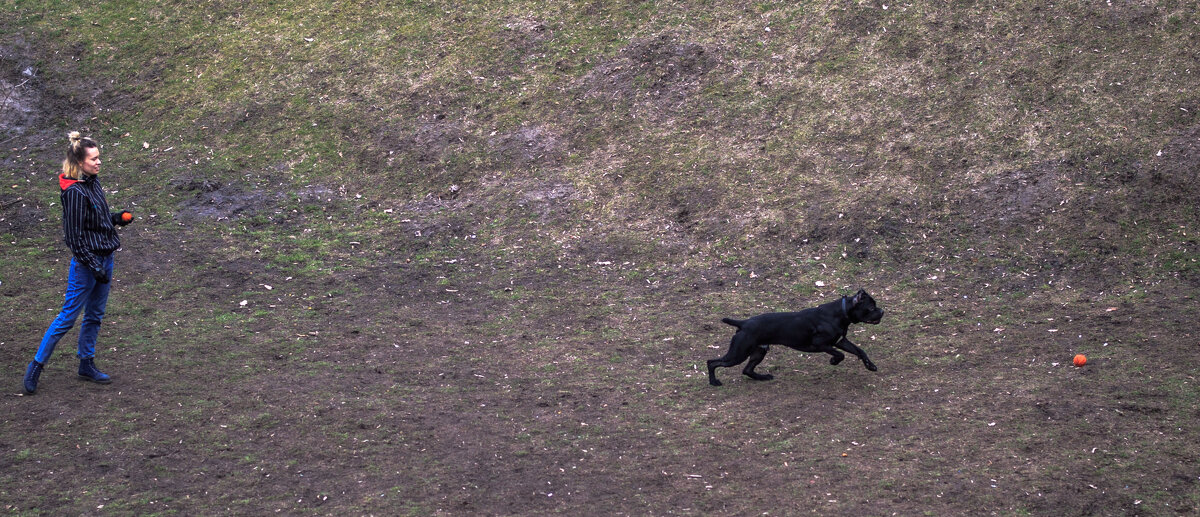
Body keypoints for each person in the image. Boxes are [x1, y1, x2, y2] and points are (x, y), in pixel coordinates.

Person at [23, 132, 132, 394]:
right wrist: (93, 266)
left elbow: (97, 219)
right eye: (94, 159)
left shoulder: (92, 183)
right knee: (68, 317)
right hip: (87, 265)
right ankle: (36, 366)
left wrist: (116, 218)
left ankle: (86, 364)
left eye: (99, 157)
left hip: (106, 259)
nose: (99, 162)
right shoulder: (74, 193)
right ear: (80, 162)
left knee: (94, 315)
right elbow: (73, 237)